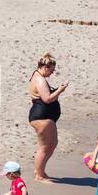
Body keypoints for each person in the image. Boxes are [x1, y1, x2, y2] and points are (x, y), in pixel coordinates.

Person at [28, 53, 66, 182]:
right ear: (45, 67)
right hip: (41, 117)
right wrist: (60, 90)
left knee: (52, 144)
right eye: (51, 70)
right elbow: (47, 99)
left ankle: (40, 170)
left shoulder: (38, 75)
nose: (52, 73)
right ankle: (38, 175)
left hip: (45, 117)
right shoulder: (40, 79)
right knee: (45, 146)